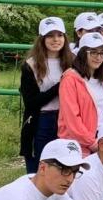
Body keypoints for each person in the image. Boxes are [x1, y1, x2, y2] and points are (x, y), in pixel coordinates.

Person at [20, 17, 74, 173]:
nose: (55, 39)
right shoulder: (31, 65)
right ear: (42, 39)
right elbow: (31, 102)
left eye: (59, 35)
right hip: (41, 121)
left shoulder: (73, 62)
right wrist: (62, 84)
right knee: (39, 167)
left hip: (66, 120)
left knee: (64, 165)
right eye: (50, 35)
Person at [58, 32, 103, 157]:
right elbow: (72, 118)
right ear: (82, 53)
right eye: (93, 52)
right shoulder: (70, 78)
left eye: (102, 53)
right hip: (77, 145)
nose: (98, 57)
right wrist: (92, 142)